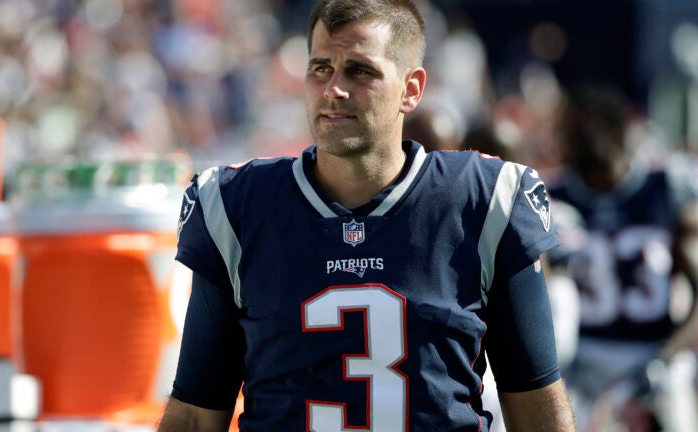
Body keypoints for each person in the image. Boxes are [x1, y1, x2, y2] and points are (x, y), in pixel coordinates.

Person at [157, 1, 576, 430]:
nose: (333, 89)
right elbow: (194, 413)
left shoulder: (484, 201)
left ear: (411, 89)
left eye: (360, 71)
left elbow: (537, 411)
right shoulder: (237, 205)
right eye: (320, 68)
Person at [547, 83, 698, 431]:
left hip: (653, 354)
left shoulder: (666, 188)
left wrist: (665, 359)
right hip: (582, 362)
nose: (570, 147)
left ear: (613, 131)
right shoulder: (554, 196)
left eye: (578, 134)